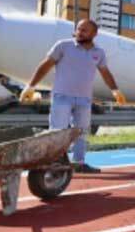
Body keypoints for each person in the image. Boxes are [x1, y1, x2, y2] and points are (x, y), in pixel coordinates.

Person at [21, 19, 126, 173]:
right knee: (57, 132)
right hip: (62, 96)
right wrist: (30, 86)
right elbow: (45, 65)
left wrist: (115, 90)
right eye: (78, 29)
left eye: (84, 30)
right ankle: (54, 164)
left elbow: (105, 72)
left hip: (84, 99)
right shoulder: (63, 46)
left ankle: (79, 163)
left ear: (94, 34)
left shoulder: (99, 53)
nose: (79, 33)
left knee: (81, 132)